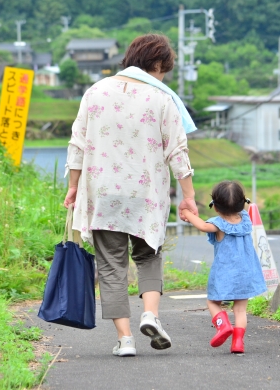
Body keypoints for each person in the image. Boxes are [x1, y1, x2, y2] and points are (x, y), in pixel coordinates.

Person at [63, 34, 198, 357]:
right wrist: (188, 196)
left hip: (103, 193)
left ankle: (124, 340)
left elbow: (77, 144)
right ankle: (150, 315)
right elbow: (177, 152)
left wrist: (73, 185)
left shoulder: (95, 92)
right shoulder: (162, 98)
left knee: (111, 266)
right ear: (157, 64)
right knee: (148, 256)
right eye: (164, 70)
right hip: (146, 194)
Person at [181, 180, 267, 353]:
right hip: (246, 273)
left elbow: (202, 226)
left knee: (213, 302)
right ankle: (238, 343)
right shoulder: (246, 219)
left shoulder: (218, 224)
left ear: (215, 206)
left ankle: (223, 325)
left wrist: (186, 213)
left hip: (224, 274)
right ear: (242, 203)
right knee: (240, 310)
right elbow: (244, 209)